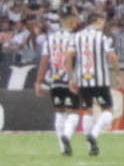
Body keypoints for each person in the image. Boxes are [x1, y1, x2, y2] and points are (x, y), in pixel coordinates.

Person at [46, 13, 115, 156]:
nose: (77, 23)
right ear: (71, 22)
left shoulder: (52, 38)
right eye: (75, 21)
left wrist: (38, 81)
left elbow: (46, 60)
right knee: (86, 112)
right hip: (85, 80)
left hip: (58, 80)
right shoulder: (84, 37)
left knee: (68, 112)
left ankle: (64, 144)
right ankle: (90, 139)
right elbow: (72, 57)